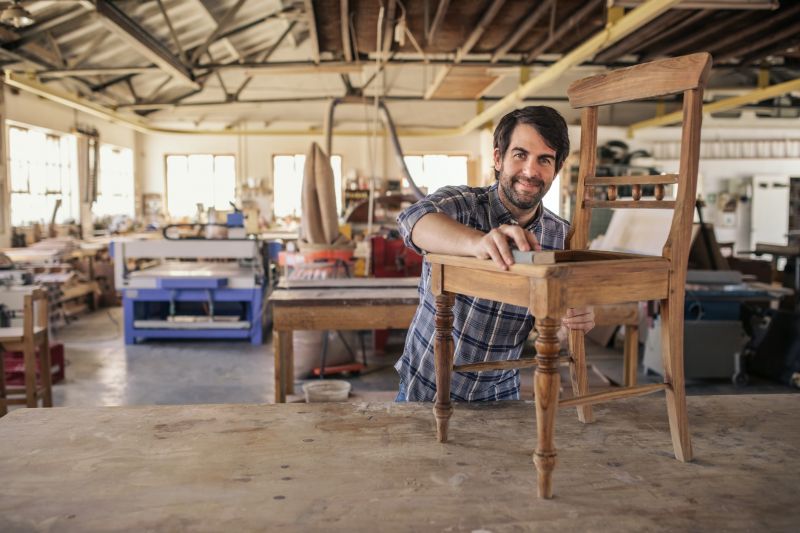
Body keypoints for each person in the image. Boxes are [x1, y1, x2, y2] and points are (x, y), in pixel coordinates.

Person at [395, 106, 595, 402]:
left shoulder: (561, 236)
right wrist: (479, 243)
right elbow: (411, 219)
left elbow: (554, 330)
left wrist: (574, 321)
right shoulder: (463, 205)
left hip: (501, 396)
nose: (530, 171)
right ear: (498, 158)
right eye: (520, 155)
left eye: (544, 159)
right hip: (425, 389)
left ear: (557, 167)